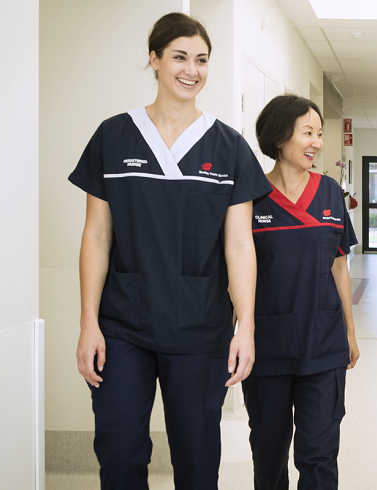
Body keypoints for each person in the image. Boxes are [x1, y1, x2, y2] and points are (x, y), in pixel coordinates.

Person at [69, 13, 272, 490]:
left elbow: (239, 242)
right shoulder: (113, 137)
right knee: (119, 453)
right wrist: (88, 322)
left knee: (198, 461)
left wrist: (247, 325)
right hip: (122, 326)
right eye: (180, 56)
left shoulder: (228, 148)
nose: (192, 70)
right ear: (155, 59)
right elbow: (96, 235)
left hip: (200, 329)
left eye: (201, 60)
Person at [243, 94, 360, 489]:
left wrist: (350, 331)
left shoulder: (329, 193)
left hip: (323, 344)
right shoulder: (249, 197)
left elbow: (339, 264)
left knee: (319, 454)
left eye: (320, 133)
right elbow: (235, 269)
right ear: (279, 137)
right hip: (267, 348)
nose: (317, 142)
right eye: (307, 133)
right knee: (269, 453)